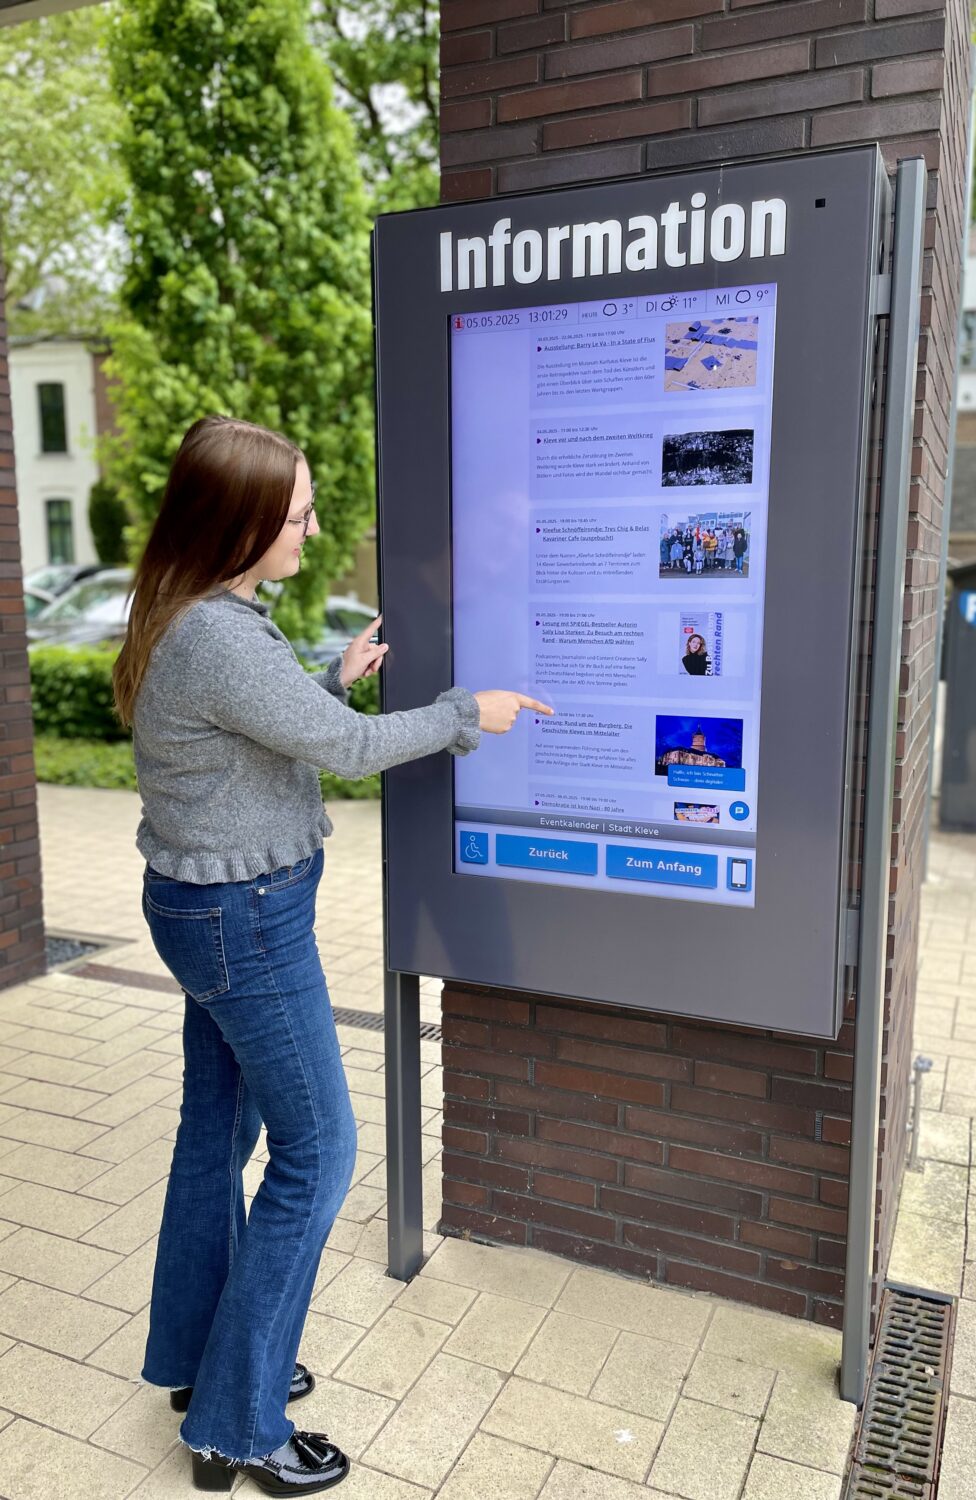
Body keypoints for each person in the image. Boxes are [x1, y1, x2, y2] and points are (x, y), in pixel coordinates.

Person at [112, 415, 552, 1496]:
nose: (312, 528)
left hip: (203, 909)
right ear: (243, 524)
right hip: (244, 922)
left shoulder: (201, 613)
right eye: (297, 513)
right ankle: (237, 1421)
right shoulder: (217, 636)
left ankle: (198, 1364)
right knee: (319, 1157)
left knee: (216, 1134)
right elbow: (347, 752)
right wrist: (460, 713)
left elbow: (265, 734)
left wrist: (330, 675)